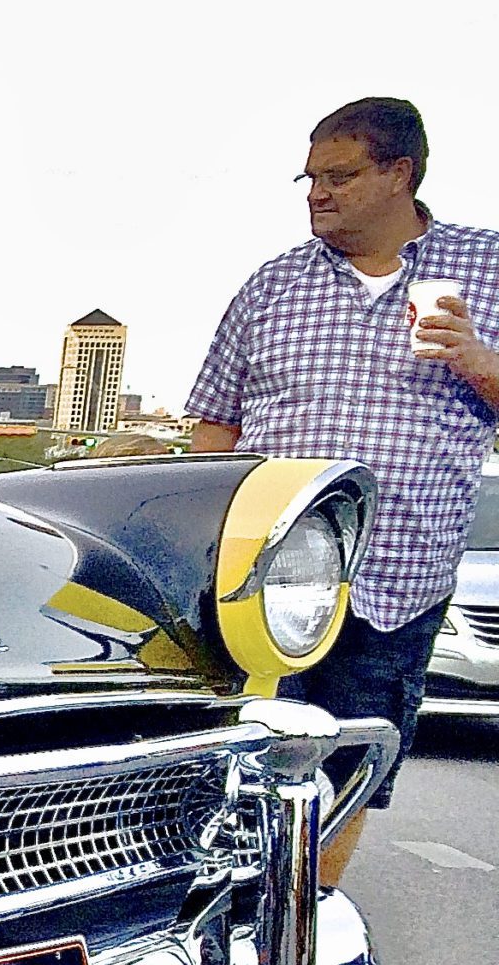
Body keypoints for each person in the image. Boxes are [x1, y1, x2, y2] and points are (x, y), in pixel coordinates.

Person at [188, 97, 499, 893]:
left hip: (398, 573)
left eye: (340, 175)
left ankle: (303, 919)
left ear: (400, 173)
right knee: (237, 752)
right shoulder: (273, 284)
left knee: (350, 760)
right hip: (260, 578)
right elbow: (215, 423)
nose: (317, 193)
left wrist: (474, 357)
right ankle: (213, 909)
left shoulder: (485, 269)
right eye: (311, 177)